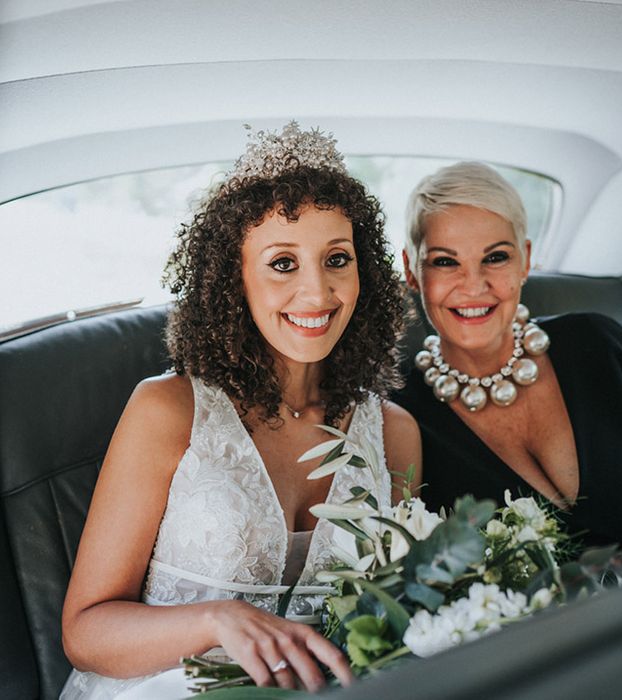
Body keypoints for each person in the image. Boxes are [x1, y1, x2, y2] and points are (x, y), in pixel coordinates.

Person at [60, 122, 421, 698]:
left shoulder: (396, 435)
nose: (318, 292)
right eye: (283, 263)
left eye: (337, 259)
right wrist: (213, 621)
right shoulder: (167, 410)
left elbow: (392, 612)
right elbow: (85, 632)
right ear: (235, 278)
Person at [392, 161, 622, 556]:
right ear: (412, 271)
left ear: (525, 260)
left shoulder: (596, 343)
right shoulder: (399, 418)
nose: (474, 285)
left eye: (496, 257)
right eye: (445, 261)